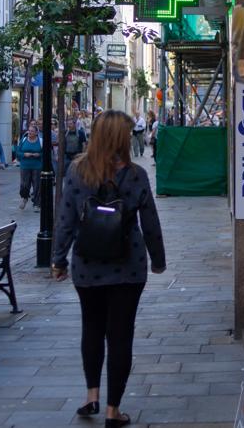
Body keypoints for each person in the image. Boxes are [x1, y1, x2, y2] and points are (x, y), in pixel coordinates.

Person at [53, 110, 166, 427]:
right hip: (127, 267)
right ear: (121, 138)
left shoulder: (77, 173)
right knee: (120, 336)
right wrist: (158, 260)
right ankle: (113, 411)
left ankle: (92, 397)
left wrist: (58, 260)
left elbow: (65, 220)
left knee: (91, 328)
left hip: (87, 266)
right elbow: (151, 224)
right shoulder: (135, 175)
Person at [14, 123, 44, 211]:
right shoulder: (23, 140)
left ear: (36, 133)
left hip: (37, 166)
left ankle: (37, 203)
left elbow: (45, 153)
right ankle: (24, 198)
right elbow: (18, 153)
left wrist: (38, 154)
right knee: (24, 184)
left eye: (32, 131)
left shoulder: (41, 141)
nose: (30, 132)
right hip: (25, 166)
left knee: (37, 185)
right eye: (29, 130)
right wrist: (24, 154)